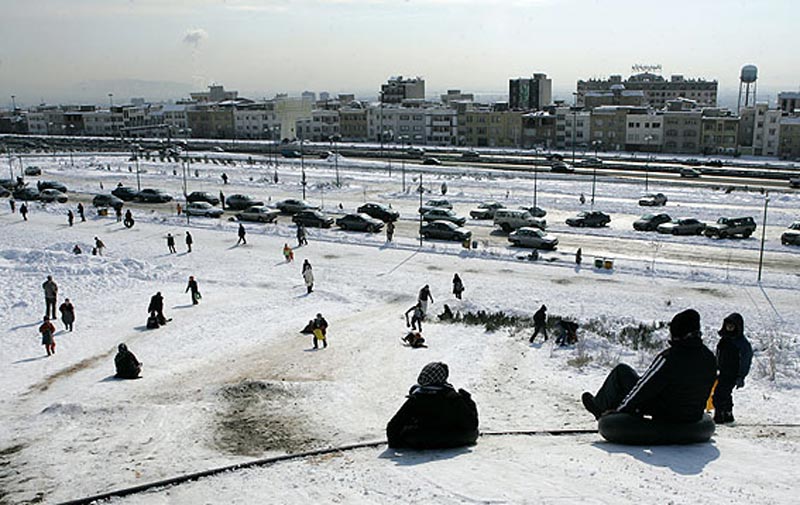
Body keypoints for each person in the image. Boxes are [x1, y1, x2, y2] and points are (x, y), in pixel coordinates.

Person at [580, 309, 717, 423]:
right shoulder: (709, 357)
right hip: (693, 414)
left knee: (622, 372)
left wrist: (619, 412)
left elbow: (644, 387)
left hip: (667, 414)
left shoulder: (669, 358)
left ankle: (599, 407)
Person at [386, 362, 479, 449]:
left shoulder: (417, 398)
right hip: (453, 438)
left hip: (423, 439)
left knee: (407, 432)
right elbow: (471, 423)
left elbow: (394, 426)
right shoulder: (452, 397)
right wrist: (468, 400)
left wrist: (395, 444)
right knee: (472, 433)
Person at [713, 313, 753, 424]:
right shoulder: (724, 340)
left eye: (732, 326)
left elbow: (746, 360)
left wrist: (741, 376)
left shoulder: (742, 343)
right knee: (725, 393)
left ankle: (719, 414)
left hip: (733, 373)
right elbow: (719, 354)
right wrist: (716, 366)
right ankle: (727, 413)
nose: (729, 328)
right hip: (723, 371)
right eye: (728, 326)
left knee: (719, 394)